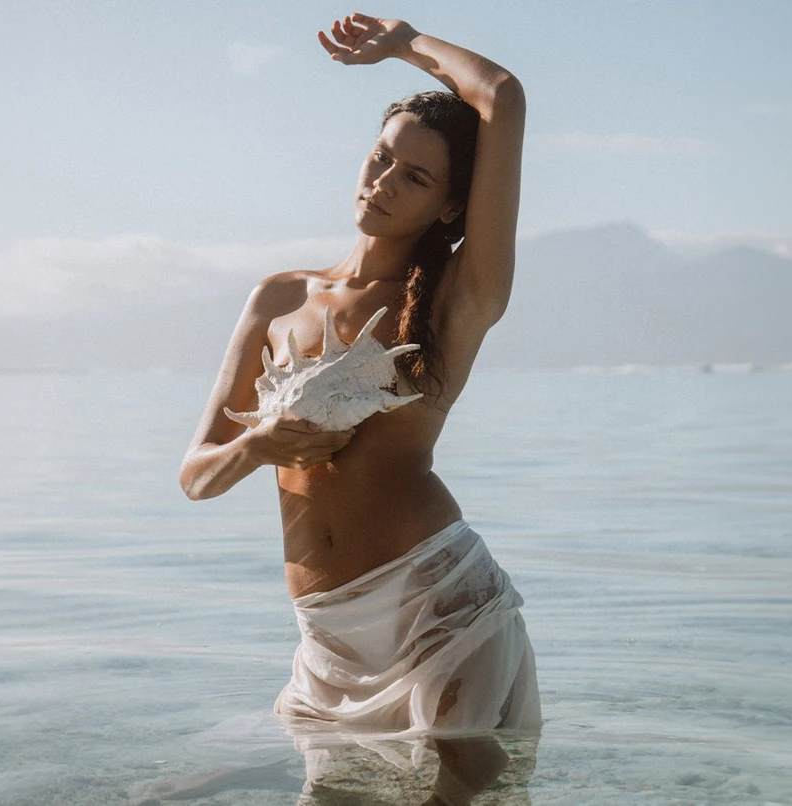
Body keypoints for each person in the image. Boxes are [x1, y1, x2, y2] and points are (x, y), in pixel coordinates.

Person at [180, 13, 539, 804]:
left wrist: (403, 44)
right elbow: (196, 478)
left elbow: (503, 97)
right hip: (327, 633)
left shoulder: (454, 299)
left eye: (415, 177)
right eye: (381, 159)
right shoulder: (278, 297)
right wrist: (257, 446)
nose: (383, 183)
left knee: (457, 788)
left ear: (450, 207)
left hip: (436, 603)